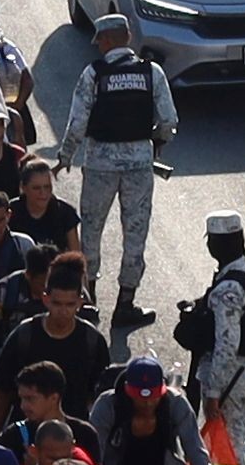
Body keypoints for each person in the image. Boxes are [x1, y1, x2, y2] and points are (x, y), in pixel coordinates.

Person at [67, 19, 175, 326]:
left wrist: (65, 157)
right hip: (139, 166)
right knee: (135, 233)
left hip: (99, 164)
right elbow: (168, 120)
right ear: (127, 37)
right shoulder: (151, 73)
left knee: (91, 230)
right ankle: (126, 304)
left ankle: (88, 302)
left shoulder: (94, 74)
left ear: (102, 41)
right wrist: (154, 144)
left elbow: (77, 123)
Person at [170, 222, 245, 465]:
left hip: (229, 375)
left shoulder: (228, 288)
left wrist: (214, 391)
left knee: (228, 441)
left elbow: (226, 345)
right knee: (238, 433)